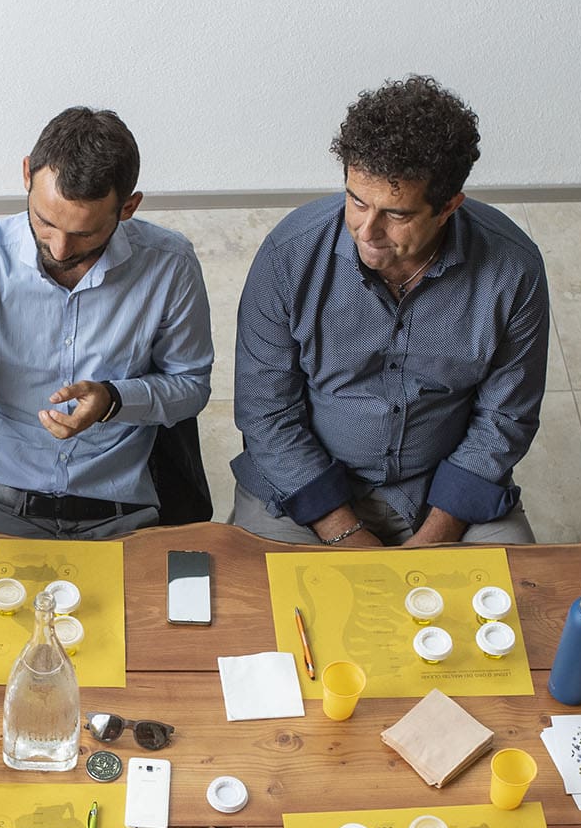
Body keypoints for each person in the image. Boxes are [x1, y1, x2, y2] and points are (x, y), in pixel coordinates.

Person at [0, 107, 212, 575]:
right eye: (44, 221)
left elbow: (191, 386)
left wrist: (115, 400)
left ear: (129, 207)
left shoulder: (170, 265)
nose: (60, 249)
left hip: (120, 513)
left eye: (85, 232)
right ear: (26, 175)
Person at [232, 76, 549, 548]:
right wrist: (348, 536)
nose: (367, 230)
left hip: (445, 494)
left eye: (396, 214)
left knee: (517, 604)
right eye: (357, 201)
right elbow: (266, 412)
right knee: (259, 611)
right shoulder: (288, 257)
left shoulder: (513, 270)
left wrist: (432, 540)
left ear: (448, 208)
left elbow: (504, 419)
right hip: (299, 491)